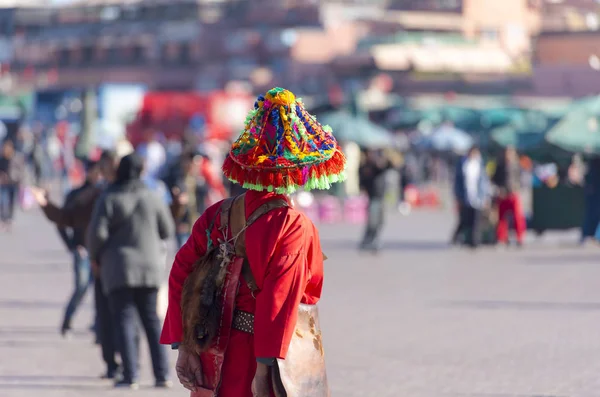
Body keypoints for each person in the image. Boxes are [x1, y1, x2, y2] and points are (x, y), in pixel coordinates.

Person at [160, 88, 344, 397]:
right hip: (259, 357)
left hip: (209, 346)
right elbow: (279, 301)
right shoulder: (292, 225)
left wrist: (185, 346)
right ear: (298, 171)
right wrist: (263, 368)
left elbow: (180, 272)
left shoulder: (215, 215)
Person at [30, 149, 133, 380]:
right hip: (102, 262)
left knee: (122, 317)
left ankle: (128, 367)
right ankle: (119, 366)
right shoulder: (95, 195)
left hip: (113, 264)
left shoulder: (114, 195)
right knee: (107, 312)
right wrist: (46, 205)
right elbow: (68, 218)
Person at [87, 153, 174, 389]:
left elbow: (97, 235)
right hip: (149, 268)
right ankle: (162, 374)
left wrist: (95, 257)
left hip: (118, 268)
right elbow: (166, 229)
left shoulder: (109, 198)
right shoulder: (153, 197)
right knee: (152, 320)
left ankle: (131, 375)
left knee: (124, 319)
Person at [55, 160, 102, 337]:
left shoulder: (103, 194)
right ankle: (67, 319)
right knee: (81, 287)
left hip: (98, 250)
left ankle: (99, 328)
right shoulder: (76, 195)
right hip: (81, 249)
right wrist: (72, 246)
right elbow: (61, 222)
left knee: (100, 289)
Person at [452, 146, 490, 248]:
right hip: (466, 196)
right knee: (465, 219)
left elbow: (484, 182)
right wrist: (458, 196)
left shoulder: (480, 165)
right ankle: (458, 238)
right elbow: (457, 182)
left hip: (478, 197)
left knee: (476, 220)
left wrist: (485, 196)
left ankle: (474, 242)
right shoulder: (462, 164)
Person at [359, 148, 394, 252]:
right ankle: (367, 241)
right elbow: (363, 181)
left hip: (380, 196)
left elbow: (390, 166)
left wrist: (387, 158)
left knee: (380, 221)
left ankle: (373, 240)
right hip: (373, 197)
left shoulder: (379, 164)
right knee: (373, 221)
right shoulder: (366, 166)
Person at [492, 146, 526, 246]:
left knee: (517, 217)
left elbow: (521, 179)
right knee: (502, 218)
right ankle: (502, 238)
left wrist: (517, 188)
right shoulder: (500, 165)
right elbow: (494, 179)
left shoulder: (517, 165)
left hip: (513, 193)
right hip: (503, 194)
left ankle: (519, 238)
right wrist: (499, 189)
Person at [0, 139, 25, 230]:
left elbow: (21, 169)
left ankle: (10, 218)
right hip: (3, 182)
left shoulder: (16, 157)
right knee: (3, 201)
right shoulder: (2, 157)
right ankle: (3, 218)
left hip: (13, 182)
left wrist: (20, 179)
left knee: (11, 201)